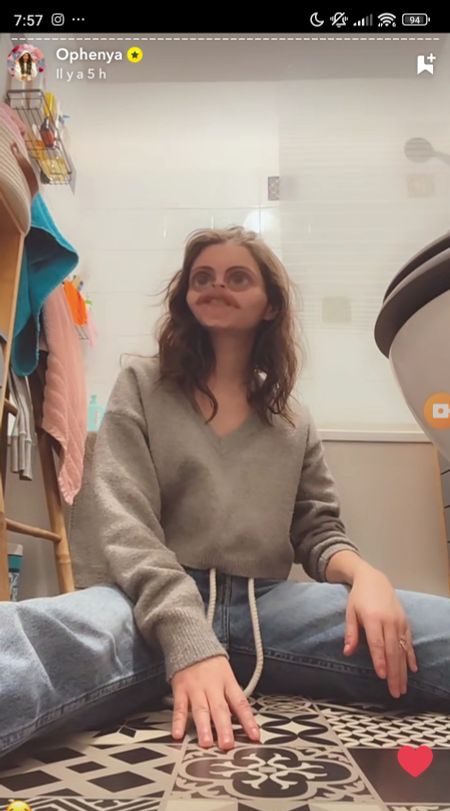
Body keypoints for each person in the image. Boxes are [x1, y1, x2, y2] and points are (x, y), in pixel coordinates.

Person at [1, 226, 450, 762]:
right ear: (186, 296)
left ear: (270, 304)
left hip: (270, 608)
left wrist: (366, 577)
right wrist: (189, 640)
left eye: (238, 278)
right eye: (202, 278)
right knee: (27, 640)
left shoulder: (294, 420)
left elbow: (318, 530)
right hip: (147, 606)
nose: (217, 286)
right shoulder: (140, 384)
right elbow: (127, 529)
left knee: (428, 631)